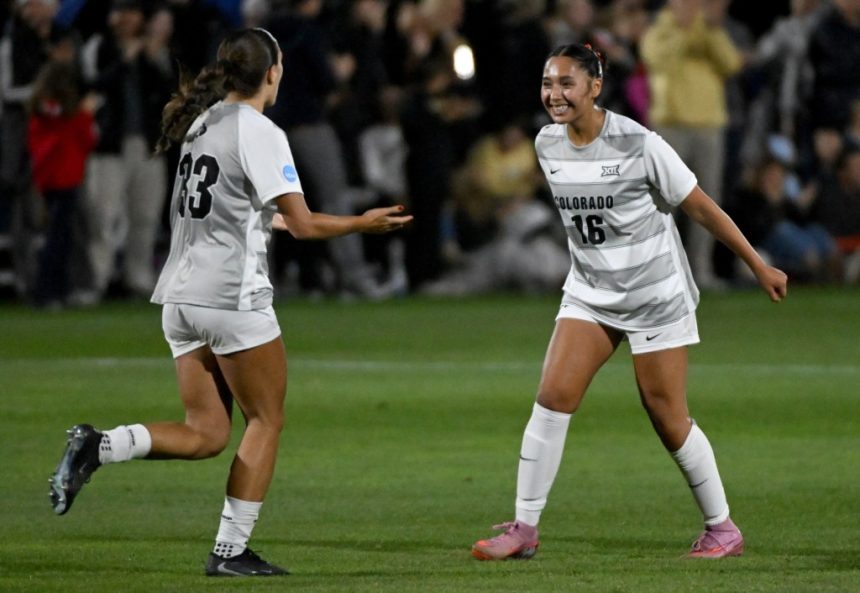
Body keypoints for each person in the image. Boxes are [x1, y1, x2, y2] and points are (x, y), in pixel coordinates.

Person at [49, 28, 412, 577]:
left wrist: (269, 219)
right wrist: (363, 222)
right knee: (266, 419)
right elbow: (311, 225)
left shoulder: (204, 121)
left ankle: (99, 446)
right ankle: (230, 552)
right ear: (272, 73)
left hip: (180, 297)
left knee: (206, 433)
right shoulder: (259, 130)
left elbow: (224, 201)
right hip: (230, 298)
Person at [471, 43, 787, 562]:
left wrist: (757, 264)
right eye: (549, 83)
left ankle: (722, 528)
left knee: (667, 416)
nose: (555, 94)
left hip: (654, 296)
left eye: (567, 83)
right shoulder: (547, 143)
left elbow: (702, 209)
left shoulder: (639, 144)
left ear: (595, 87)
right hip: (591, 293)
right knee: (552, 397)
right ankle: (524, 528)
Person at [639, 0, 743, 290]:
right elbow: (658, 62)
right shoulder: (658, 31)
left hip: (709, 125)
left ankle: (701, 272)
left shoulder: (710, 30)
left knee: (707, 203)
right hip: (670, 127)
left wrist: (711, 32)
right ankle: (657, 274)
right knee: (662, 203)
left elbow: (730, 63)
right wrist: (685, 34)